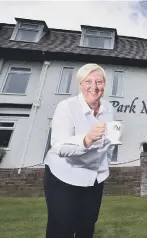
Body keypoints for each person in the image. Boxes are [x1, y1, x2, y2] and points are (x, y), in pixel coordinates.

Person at [43, 63, 116, 238]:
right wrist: (87, 139)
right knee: (62, 227)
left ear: (104, 85)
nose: (94, 87)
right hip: (64, 175)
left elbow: (108, 142)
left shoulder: (108, 109)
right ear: (80, 85)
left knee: (87, 225)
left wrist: (109, 155)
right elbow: (59, 145)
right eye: (88, 81)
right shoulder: (66, 106)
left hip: (94, 177)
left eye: (99, 81)